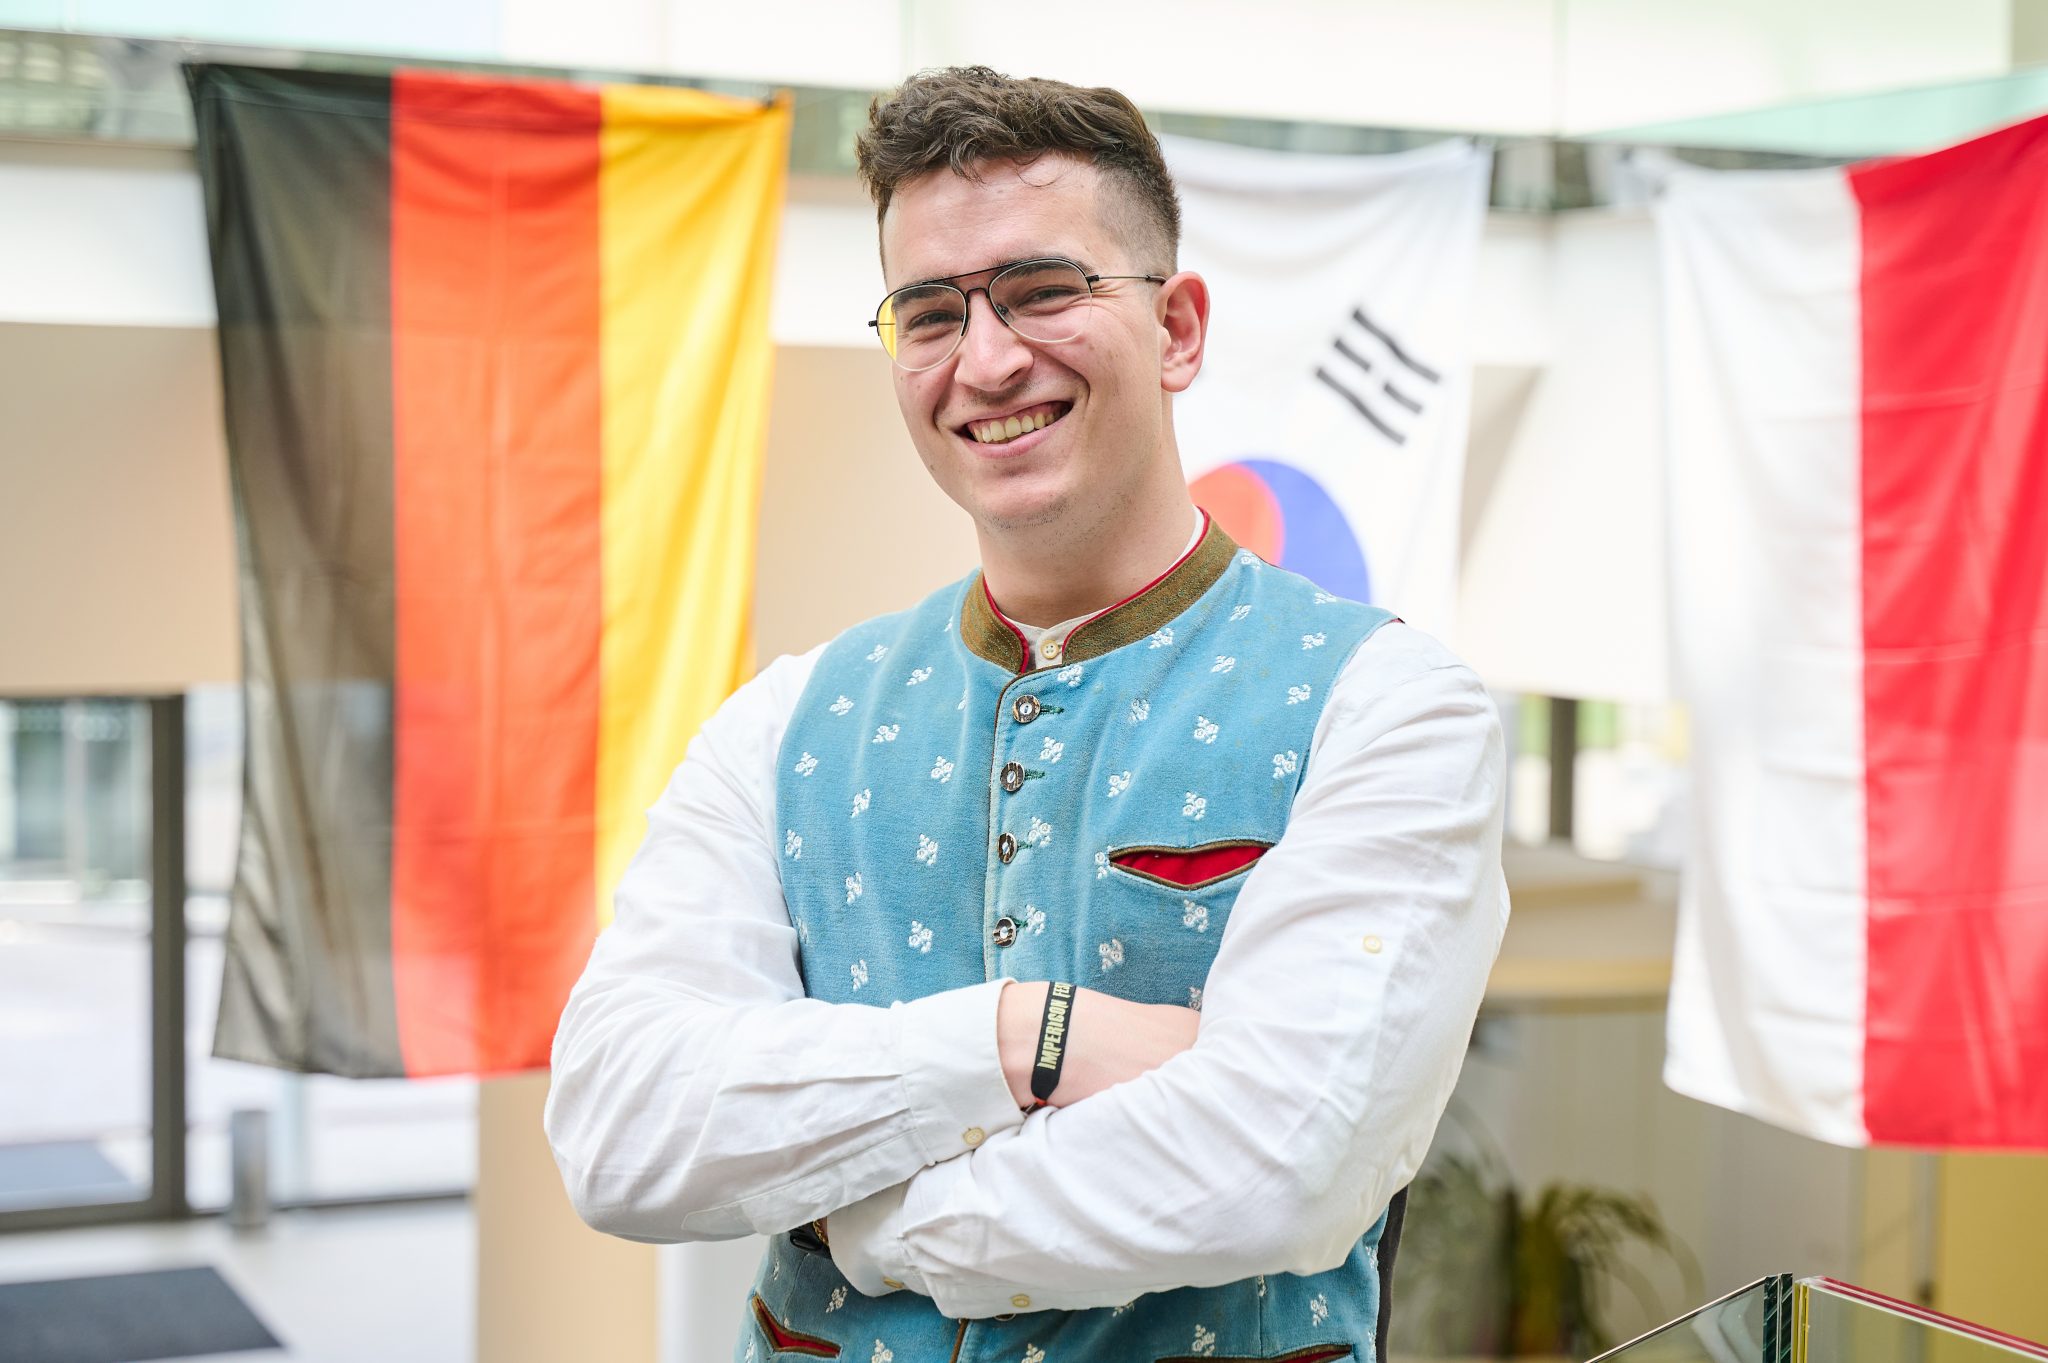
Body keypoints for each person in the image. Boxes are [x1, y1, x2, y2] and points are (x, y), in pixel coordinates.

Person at [545, 65, 1508, 1363]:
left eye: (1045, 290)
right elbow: (619, 1130)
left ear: (1177, 329)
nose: (988, 360)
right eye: (930, 313)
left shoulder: (1388, 710)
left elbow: (1283, 1164)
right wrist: (1025, 1039)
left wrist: (864, 1223)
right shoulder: (782, 725)